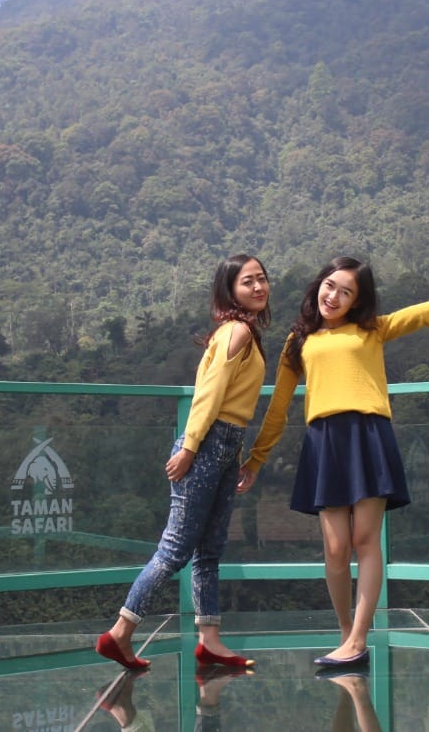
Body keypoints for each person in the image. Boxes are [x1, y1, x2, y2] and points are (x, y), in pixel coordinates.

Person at [237, 256, 429, 667]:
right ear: (319, 285)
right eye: (330, 285)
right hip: (324, 441)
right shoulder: (298, 342)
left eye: (346, 292)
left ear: (357, 301)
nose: (333, 296)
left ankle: (358, 639)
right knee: (334, 549)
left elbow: (422, 315)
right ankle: (346, 635)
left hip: (367, 436)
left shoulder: (371, 329)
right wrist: (256, 459)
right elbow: (278, 407)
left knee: (365, 541)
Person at [96, 254, 272, 670]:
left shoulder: (241, 332)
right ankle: (119, 634)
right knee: (175, 550)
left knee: (209, 551)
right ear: (230, 291)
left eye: (263, 279)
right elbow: (209, 393)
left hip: (227, 445)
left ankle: (209, 640)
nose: (259, 287)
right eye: (248, 282)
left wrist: (235, 456)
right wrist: (190, 446)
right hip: (209, 443)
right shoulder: (237, 331)